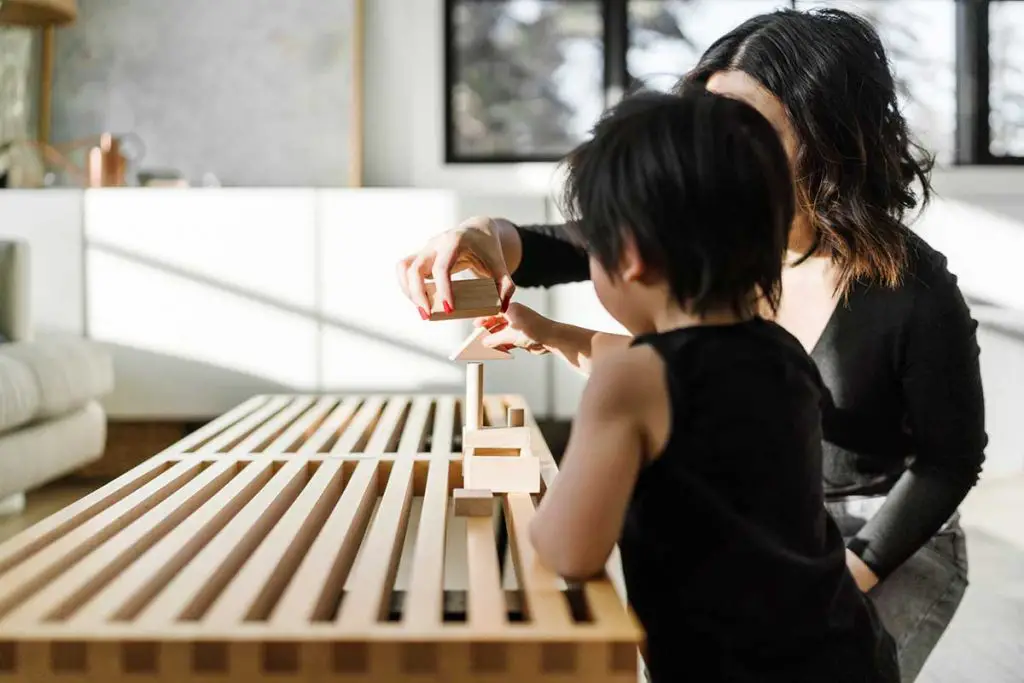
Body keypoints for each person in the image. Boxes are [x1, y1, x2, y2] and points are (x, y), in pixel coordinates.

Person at [397, 8, 984, 681]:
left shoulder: (912, 289)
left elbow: (949, 458)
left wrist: (849, 572)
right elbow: (688, 373)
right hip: (791, 549)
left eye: (739, 126)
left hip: (881, 535)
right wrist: (486, 243)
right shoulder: (730, 277)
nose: (705, 141)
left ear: (824, 139)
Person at [549, 87, 901, 682]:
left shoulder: (631, 382)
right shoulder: (781, 354)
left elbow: (569, 550)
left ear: (629, 256)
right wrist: (548, 332)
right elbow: (674, 386)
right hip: (846, 653)